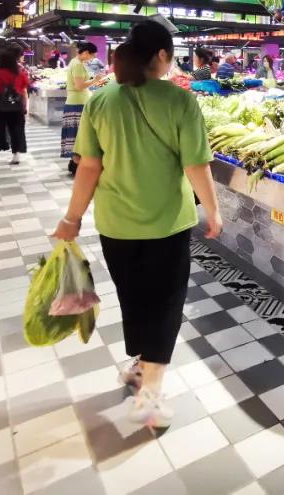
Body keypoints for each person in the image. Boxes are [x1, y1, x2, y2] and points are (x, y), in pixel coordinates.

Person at [51, 21, 222, 429]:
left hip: (116, 224)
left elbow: (88, 167)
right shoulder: (180, 101)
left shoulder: (100, 101)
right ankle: (150, 393)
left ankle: (140, 367)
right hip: (168, 222)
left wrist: (71, 218)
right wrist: (213, 210)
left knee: (136, 297)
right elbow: (195, 163)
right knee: (166, 303)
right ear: (161, 56)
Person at [64, 42, 104, 176]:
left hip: (76, 101)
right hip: (78, 103)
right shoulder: (78, 64)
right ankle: (77, 166)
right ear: (86, 52)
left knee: (76, 135)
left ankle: (75, 165)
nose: (92, 59)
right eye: (92, 56)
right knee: (78, 135)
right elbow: (79, 85)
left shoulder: (75, 62)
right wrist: (95, 79)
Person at [0, 47, 28, 164]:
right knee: (16, 130)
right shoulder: (20, 73)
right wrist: (24, 107)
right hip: (16, 105)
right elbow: (24, 93)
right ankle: (16, 156)